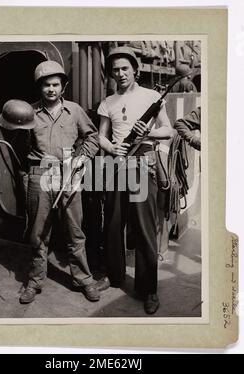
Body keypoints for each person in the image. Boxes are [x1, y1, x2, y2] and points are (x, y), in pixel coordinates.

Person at [97, 46, 173, 314]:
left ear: (135, 70)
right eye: (115, 69)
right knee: (113, 223)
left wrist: (149, 134)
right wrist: (111, 148)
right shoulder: (107, 102)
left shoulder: (151, 96)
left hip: (143, 163)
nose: (120, 73)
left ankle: (148, 289)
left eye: (124, 68)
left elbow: (169, 130)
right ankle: (114, 276)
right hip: (117, 163)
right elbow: (101, 136)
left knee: (143, 227)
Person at [18, 60, 100, 304]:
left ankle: (83, 279)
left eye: (55, 84)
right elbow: (19, 144)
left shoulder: (74, 111)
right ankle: (34, 281)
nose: (51, 89)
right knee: (38, 233)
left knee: (75, 232)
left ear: (63, 86)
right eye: (46, 85)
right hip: (40, 176)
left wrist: (82, 158)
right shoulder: (28, 112)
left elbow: (92, 137)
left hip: (69, 175)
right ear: (39, 87)